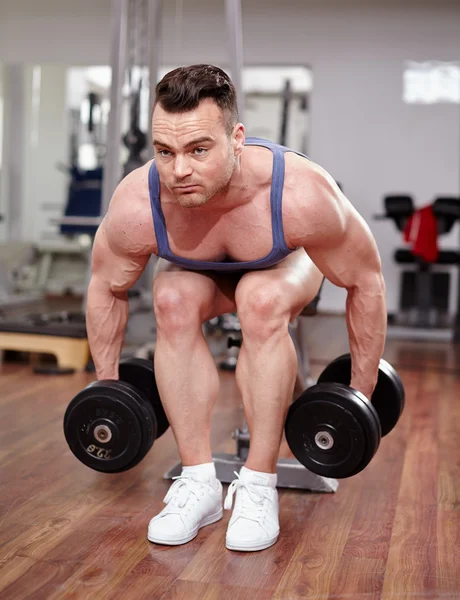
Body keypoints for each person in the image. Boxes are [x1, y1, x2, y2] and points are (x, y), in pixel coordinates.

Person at [86, 64, 386, 552]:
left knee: (260, 299)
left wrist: (362, 395)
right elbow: (106, 287)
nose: (180, 170)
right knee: (170, 298)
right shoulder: (138, 203)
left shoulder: (300, 193)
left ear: (237, 138)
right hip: (198, 274)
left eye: (199, 150)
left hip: (283, 266)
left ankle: (258, 486)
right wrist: (107, 387)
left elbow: (365, 282)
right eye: (165, 152)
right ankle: (200, 483)